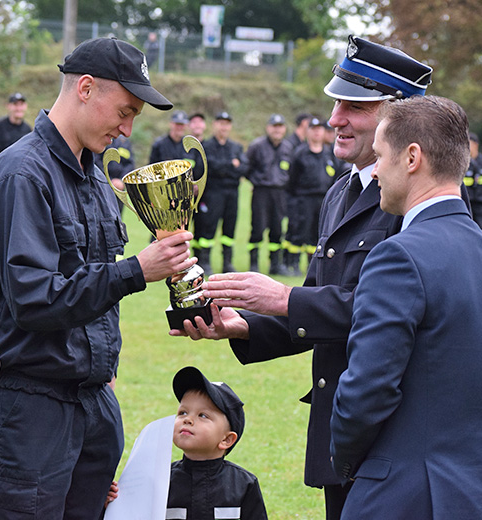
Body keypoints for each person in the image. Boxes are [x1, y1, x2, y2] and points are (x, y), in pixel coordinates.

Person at [171, 35, 434, 520]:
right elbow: (317, 307)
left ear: (397, 118)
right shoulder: (339, 194)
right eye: (335, 104)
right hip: (340, 426)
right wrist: (243, 325)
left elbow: (389, 310)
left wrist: (283, 297)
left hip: (391, 428)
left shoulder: (414, 201)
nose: (334, 119)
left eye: (353, 107)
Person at [0, 37, 191, 520]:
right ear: (85, 88)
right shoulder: (21, 175)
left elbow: (92, 297)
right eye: (125, 111)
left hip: (93, 402)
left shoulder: (95, 179)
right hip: (31, 408)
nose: (128, 129)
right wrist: (137, 271)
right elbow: (33, 300)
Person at [330, 95, 482, 519]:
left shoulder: (398, 256)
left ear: (412, 157)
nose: (376, 169)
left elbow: (365, 392)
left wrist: (347, 464)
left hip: (406, 496)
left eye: (381, 156)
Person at [168, 366, 268, 519]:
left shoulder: (243, 484)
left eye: (202, 415)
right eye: (183, 412)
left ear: (226, 440)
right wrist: (118, 494)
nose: (187, 419)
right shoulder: (162, 480)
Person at [195, 111, 249, 273]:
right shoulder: (206, 146)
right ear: (214, 125)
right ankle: (204, 261)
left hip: (232, 193)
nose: (224, 127)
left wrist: (225, 167)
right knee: (208, 227)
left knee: (229, 229)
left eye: (227, 123)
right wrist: (231, 165)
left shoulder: (236, 147)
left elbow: (244, 169)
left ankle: (227, 262)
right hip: (213, 192)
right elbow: (208, 167)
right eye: (221, 123)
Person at [284, 116, 338, 276]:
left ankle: (311, 265)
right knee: (299, 230)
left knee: (317, 233)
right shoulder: (300, 153)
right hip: (303, 199)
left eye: (319, 129)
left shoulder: (329, 154)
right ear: (308, 132)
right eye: (313, 129)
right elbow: (291, 179)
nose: (316, 133)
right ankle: (291, 263)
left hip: (322, 200)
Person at [245, 113, 293, 275]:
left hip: (279, 193)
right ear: (268, 128)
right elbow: (246, 167)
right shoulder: (257, 146)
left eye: (280, 127)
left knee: (277, 229)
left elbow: (291, 170)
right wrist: (255, 181)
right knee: (258, 227)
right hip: (261, 192)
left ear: (284, 129)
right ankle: (254, 264)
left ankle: (275, 264)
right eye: (274, 126)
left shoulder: (288, 147)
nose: (277, 130)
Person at [0, 92, 31, 163]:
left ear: (26, 106)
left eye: (21, 105)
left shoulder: (27, 130)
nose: (19, 108)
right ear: (8, 106)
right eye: (15, 105)